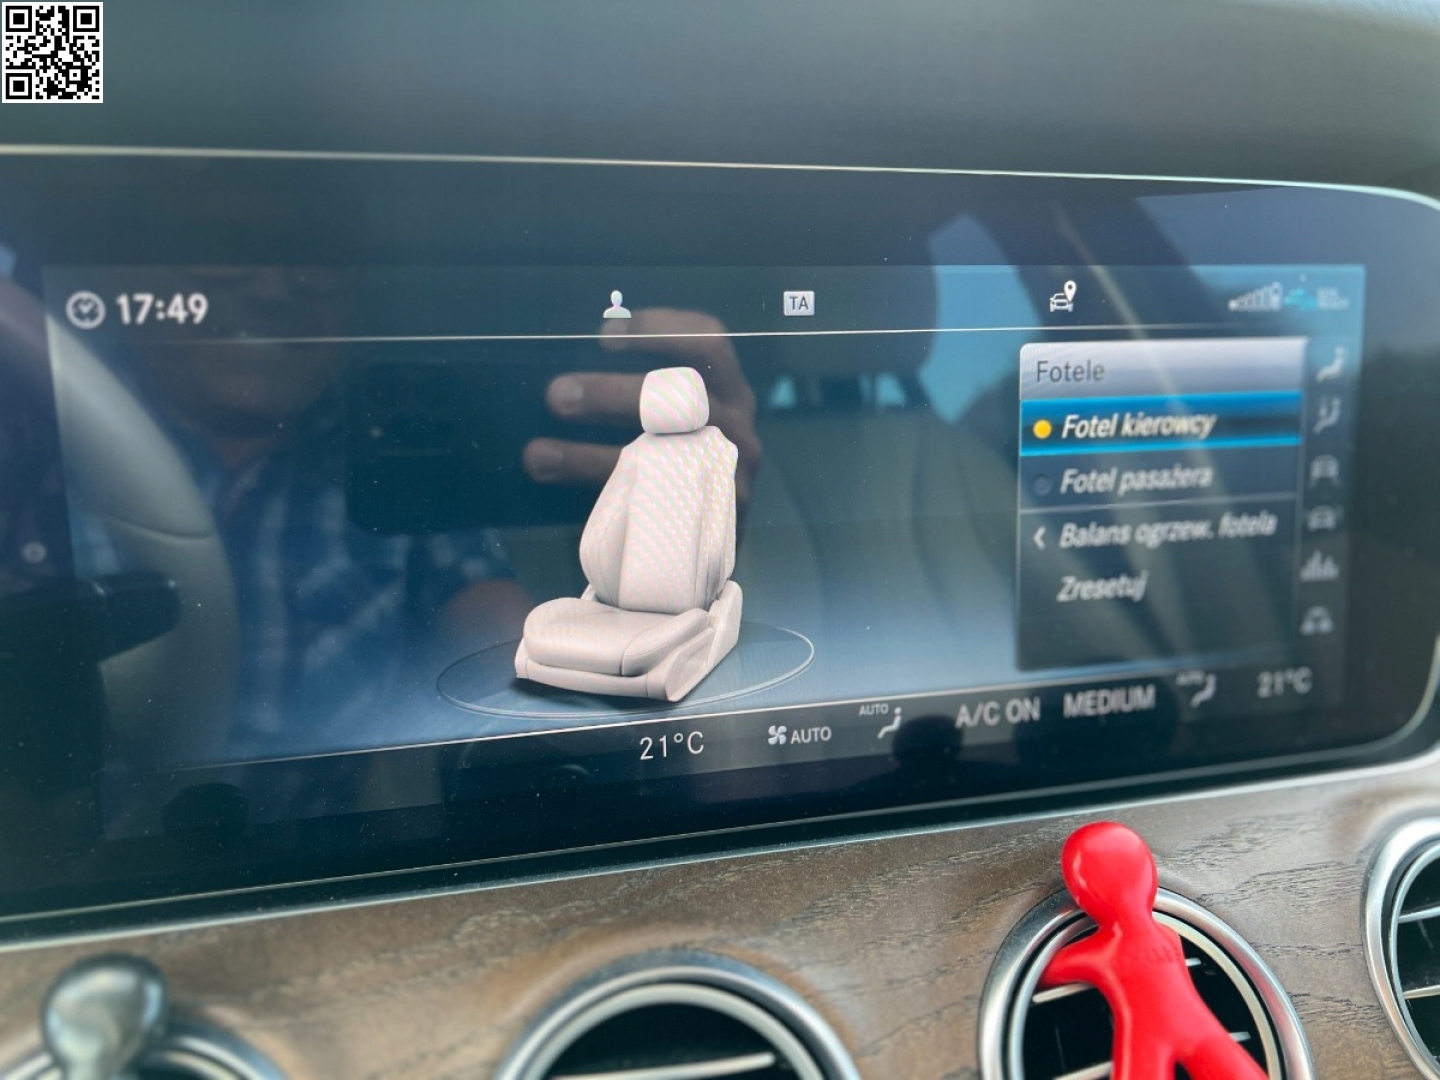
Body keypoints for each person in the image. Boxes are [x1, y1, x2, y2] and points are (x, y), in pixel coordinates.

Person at [1039, 822, 1267, 1080]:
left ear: (1086, 890)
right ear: (1147, 876)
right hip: (1196, 1022)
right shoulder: (1168, 935)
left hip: (1145, 1036)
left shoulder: (1100, 952)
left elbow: (1049, 971)